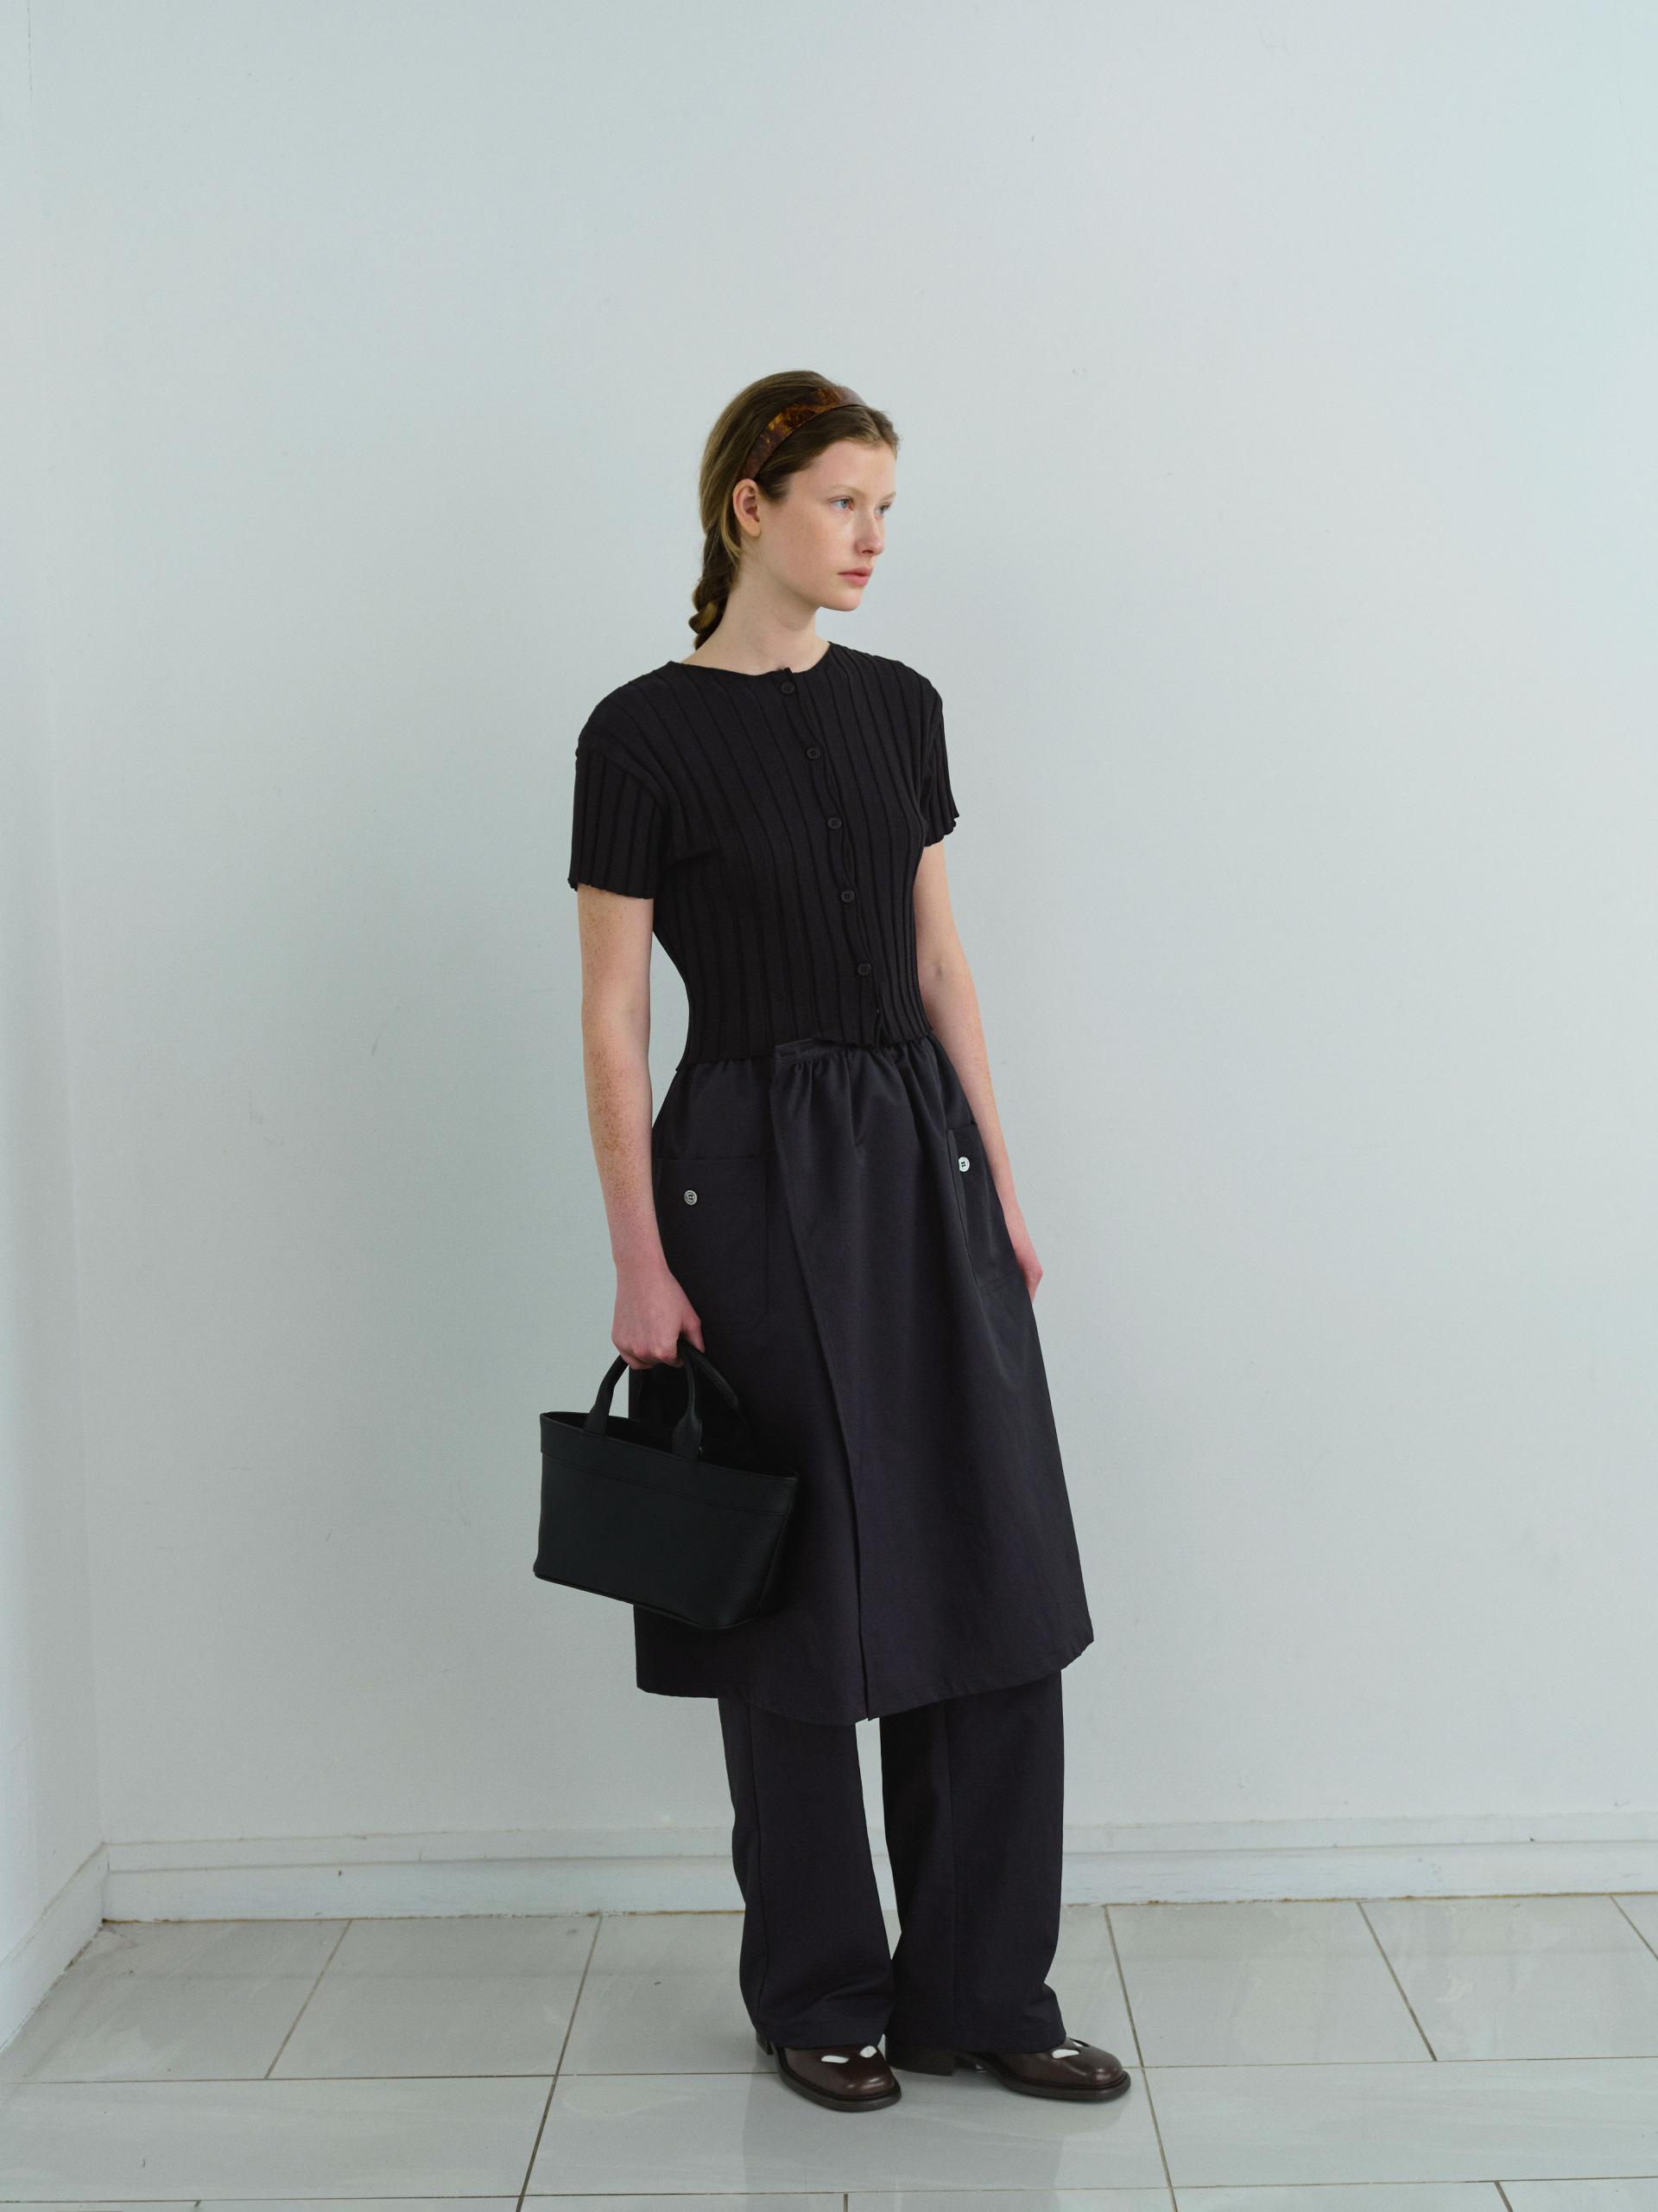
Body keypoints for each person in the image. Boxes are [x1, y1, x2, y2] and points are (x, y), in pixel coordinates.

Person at [566, 371, 1129, 2114]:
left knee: (994, 1570)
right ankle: (820, 1990)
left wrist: (1003, 1184)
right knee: (797, 1597)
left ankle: (984, 1990)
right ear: (750, 504)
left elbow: (942, 961)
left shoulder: (900, 707)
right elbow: (610, 1015)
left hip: (920, 1156)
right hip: (742, 1169)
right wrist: (638, 1254)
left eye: (888, 507)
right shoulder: (638, 736)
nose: (874, 537)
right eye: (843, 501)